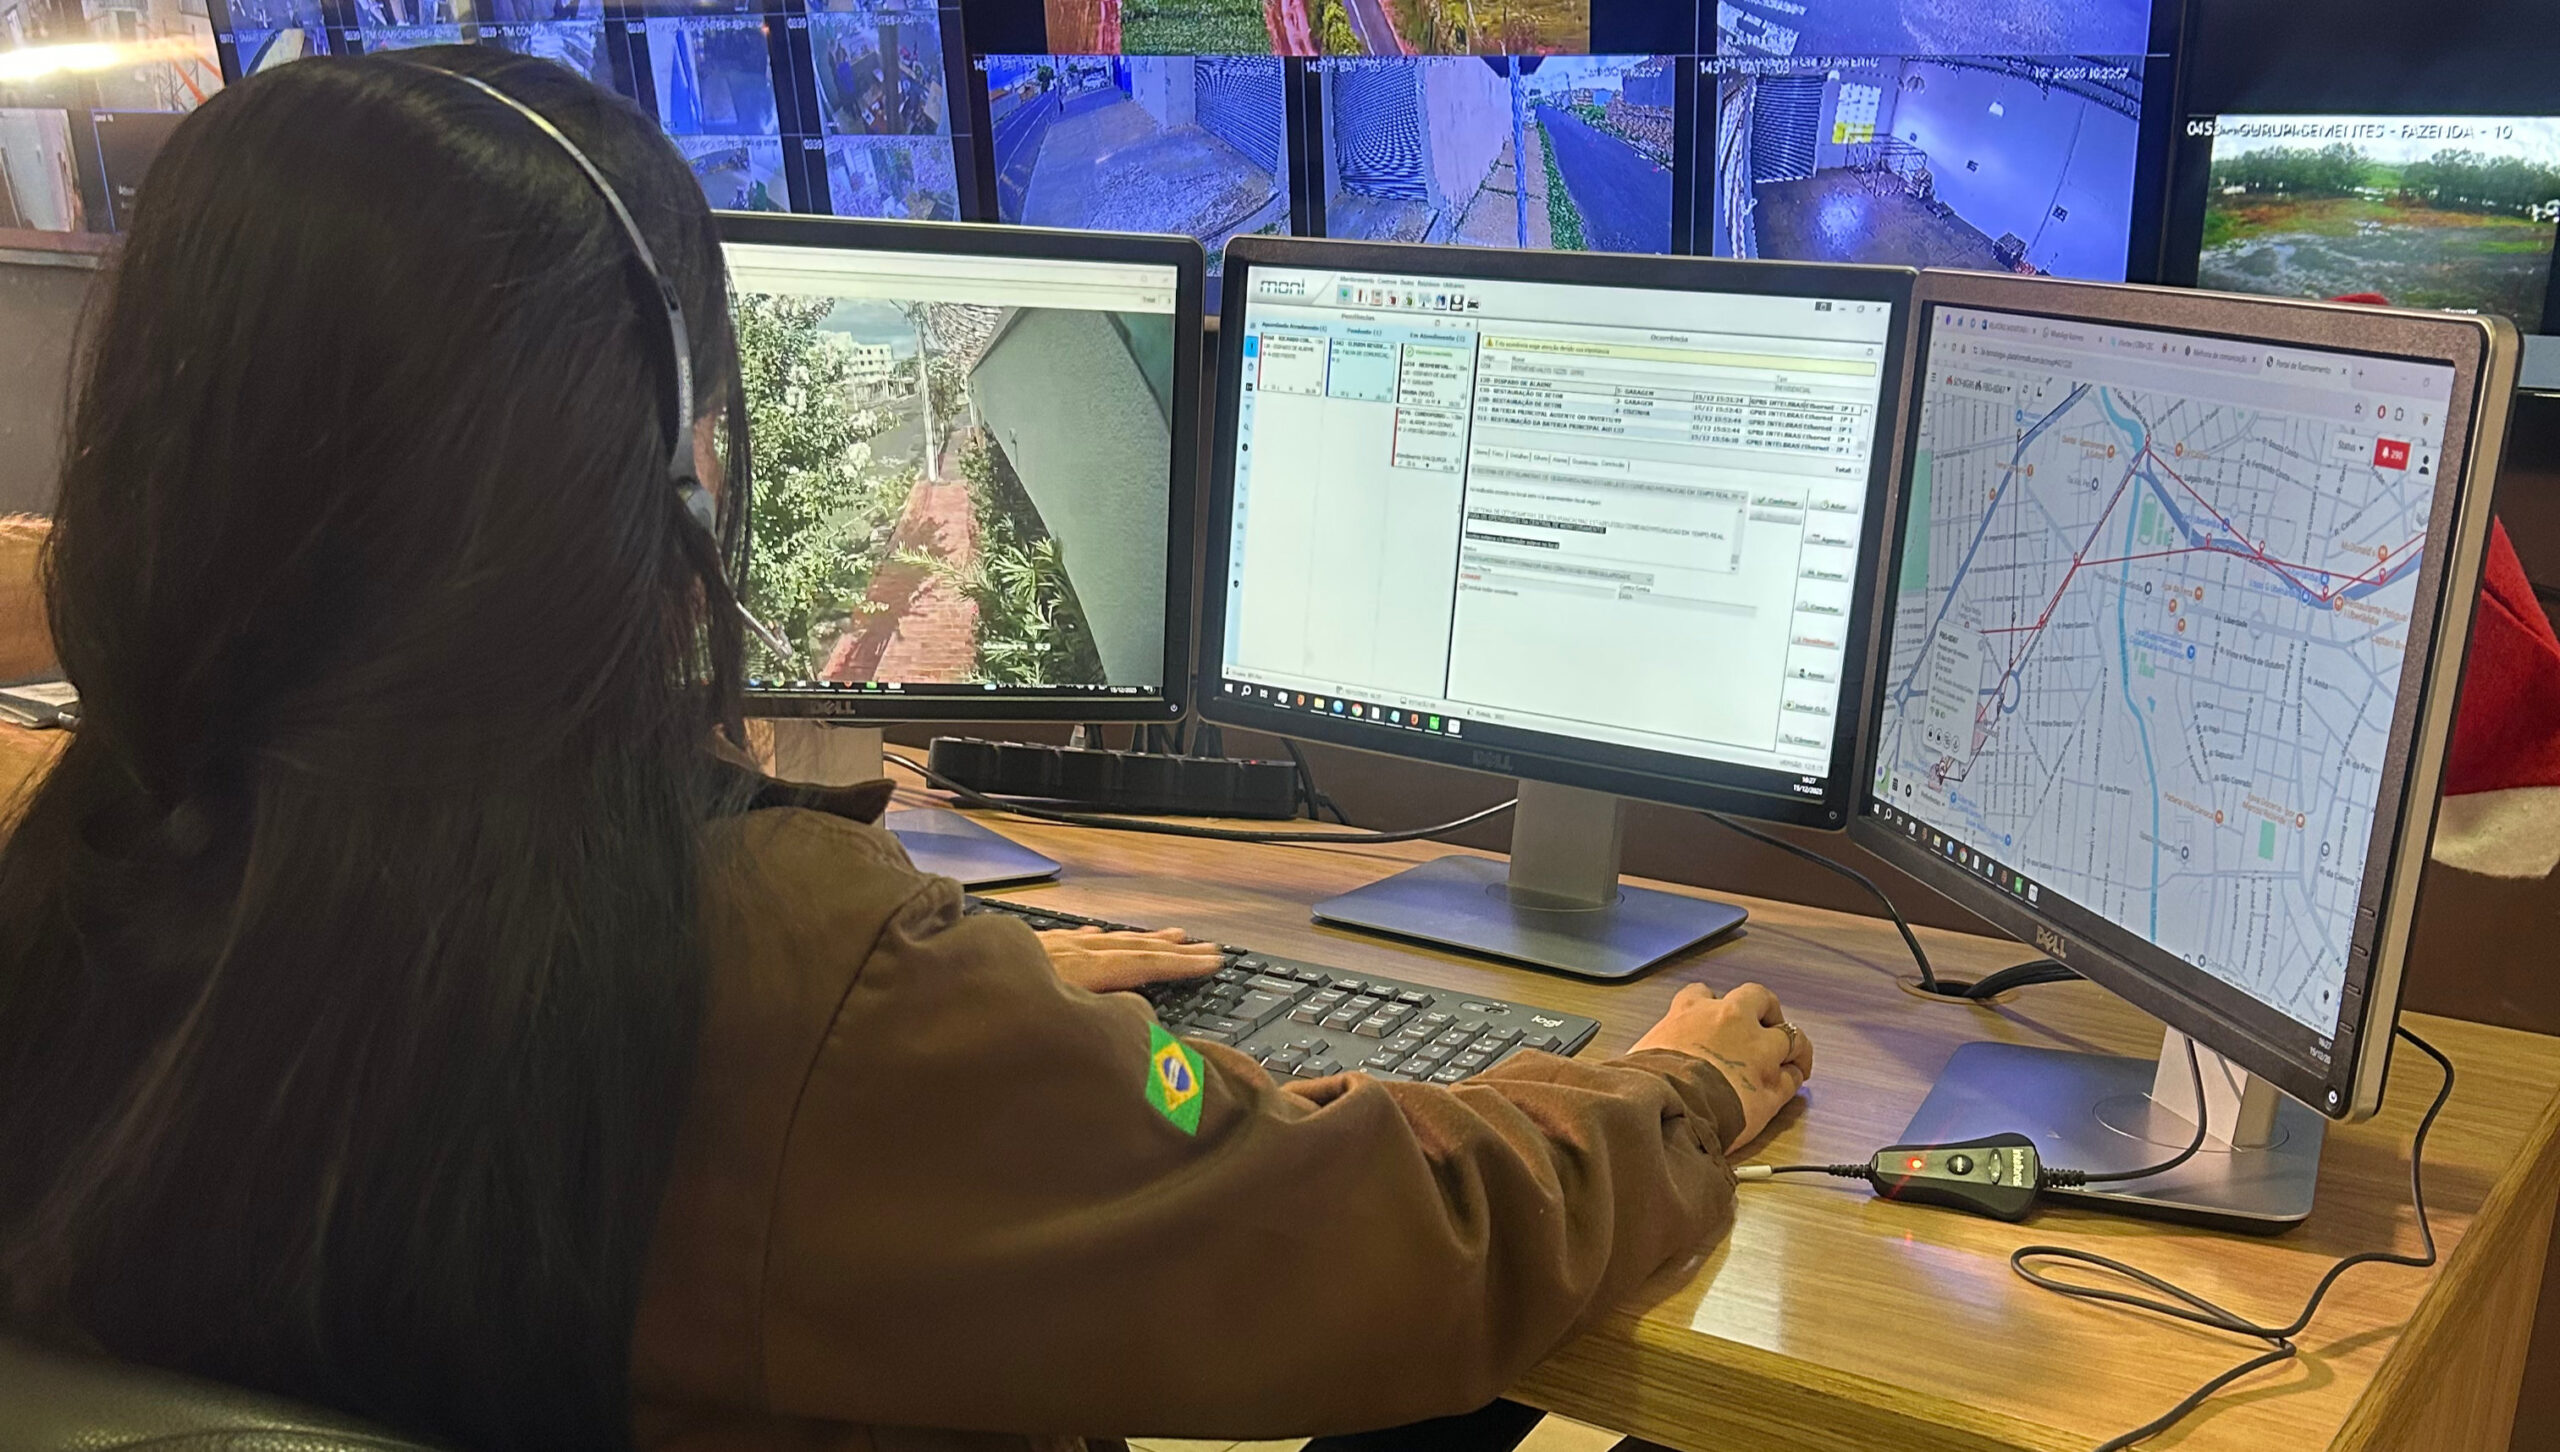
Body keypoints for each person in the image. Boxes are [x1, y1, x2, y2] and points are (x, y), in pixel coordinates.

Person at [0, 50, 1816, 1452]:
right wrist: (1670, 1095)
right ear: (663, 459)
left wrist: (966, 1017)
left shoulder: (94, 843)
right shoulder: (775, 975)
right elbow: (1388, 1233)